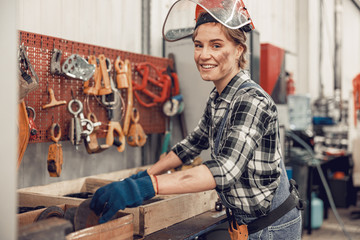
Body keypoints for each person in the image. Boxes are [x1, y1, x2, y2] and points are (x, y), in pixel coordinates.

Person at [90, 1, 303, 239]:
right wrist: (146, 175)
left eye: (216, 45)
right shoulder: (218, 97)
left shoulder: (251, 100)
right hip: (244, 221)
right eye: (198, 45)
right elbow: (191, 145)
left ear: (239, 49)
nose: (204, 55)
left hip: (270, 227)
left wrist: (146, 187)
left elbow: (224, 170)